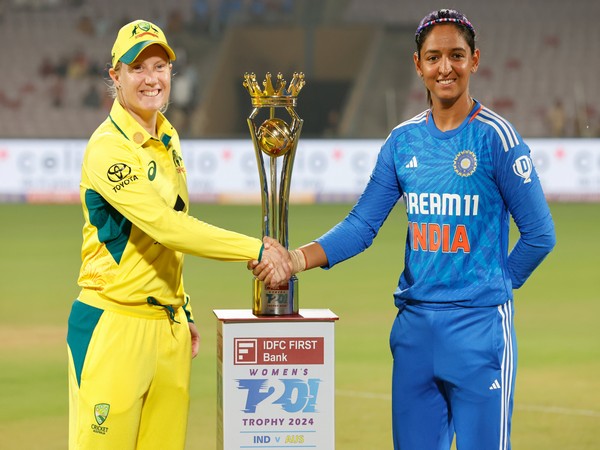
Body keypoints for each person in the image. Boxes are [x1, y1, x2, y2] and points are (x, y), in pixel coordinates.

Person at [251, 9, 555, 450]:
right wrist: (295, 259)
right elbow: (361, 225)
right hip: (414, 333)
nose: (445, 67)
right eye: (433, 57)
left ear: (475, 60)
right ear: (418, 65)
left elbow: (540, 234)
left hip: (479, 331)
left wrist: (495, 287)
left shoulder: (497, 138)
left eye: (456, 55)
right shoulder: (402, 142)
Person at [67, 19, 290, 450]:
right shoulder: (107, 147)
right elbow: (165, 226)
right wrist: (254, 248)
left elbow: (164, 241)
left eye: (160, 66)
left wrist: (182, 307)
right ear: (115, 76)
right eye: (137, 68)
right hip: (114, 327)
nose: (151, 78)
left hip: (167, 330)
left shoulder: (168, 136)